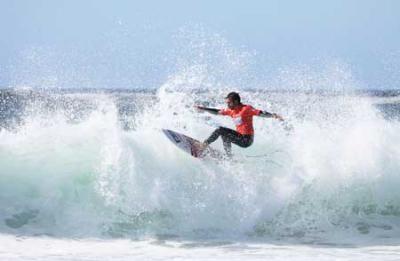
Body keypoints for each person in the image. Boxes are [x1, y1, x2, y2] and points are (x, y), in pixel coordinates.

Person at [195, 92, 284, 157]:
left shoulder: (246, 109)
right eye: (227, 103)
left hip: (246, 140)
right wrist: (204, 108)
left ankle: (204, 145)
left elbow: (260, 113)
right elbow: (217, 112)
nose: (228, 104)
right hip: (240, 136)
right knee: (225, 135)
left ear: (236, 101)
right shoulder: (231, 111)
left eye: (229, 102)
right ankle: (229, 156)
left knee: (220, 130)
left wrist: (273, 115)